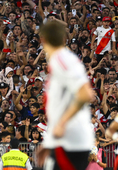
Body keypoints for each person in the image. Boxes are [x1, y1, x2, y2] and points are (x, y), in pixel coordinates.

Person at [36, 20, 94, 170]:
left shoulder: (61, 60)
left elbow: (85, 93)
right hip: (64, 140)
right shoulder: (60, 61)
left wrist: (61, 124)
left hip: (70, 140)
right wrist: (49, 143)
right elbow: (60, 107)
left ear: (43, 39)